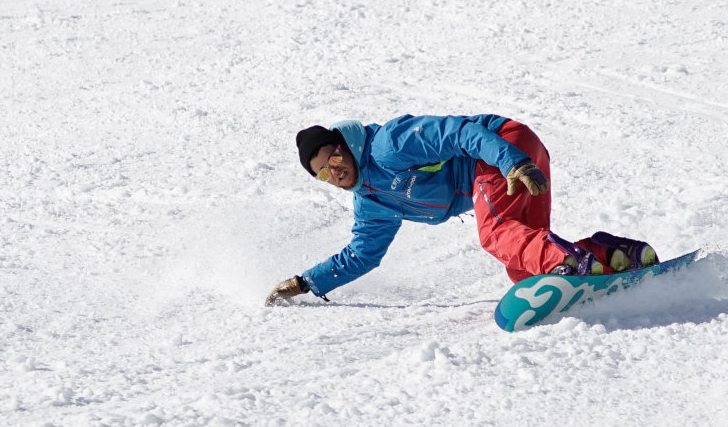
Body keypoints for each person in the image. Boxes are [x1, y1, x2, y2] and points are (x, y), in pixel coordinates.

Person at [266, 115, 658, 306]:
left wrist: (510, 161)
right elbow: (362, 254)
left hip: (501, 148)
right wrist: (304, 283)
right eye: (322, 174)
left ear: (343, 146)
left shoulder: (387, 144)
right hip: (506, 161)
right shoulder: (371, 201)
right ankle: (611, 256)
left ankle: (572, 263)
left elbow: (459, 133)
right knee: (523, 271)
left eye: (333, 158)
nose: (334, 172)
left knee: (496, 234)